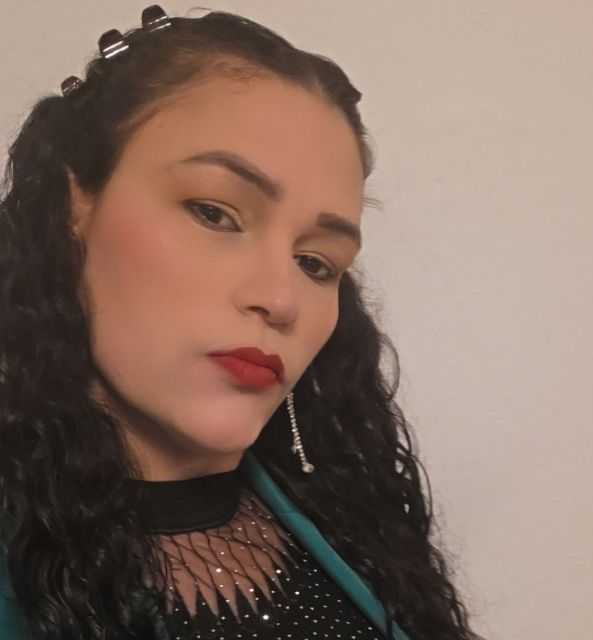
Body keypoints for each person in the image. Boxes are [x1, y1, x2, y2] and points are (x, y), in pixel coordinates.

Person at [0, 6, 483, 639]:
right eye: (214, 213)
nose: (281, 300)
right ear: (73, 208)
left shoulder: (358, 537)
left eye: (316, 263)